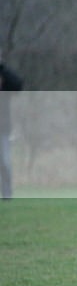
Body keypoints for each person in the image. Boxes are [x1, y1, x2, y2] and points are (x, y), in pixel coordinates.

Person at [0, 50, 24, 201]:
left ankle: (7, 195)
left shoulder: (4, 78)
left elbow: (18, 85)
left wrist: (1, 67)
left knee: (5, 162)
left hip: (2, 128)